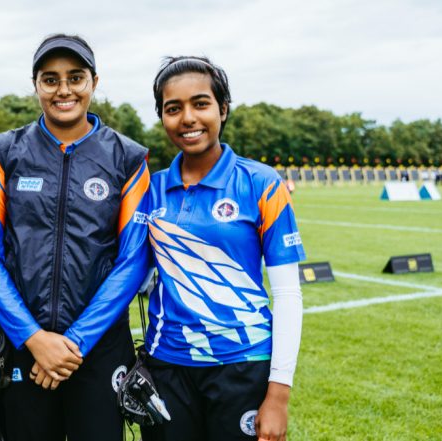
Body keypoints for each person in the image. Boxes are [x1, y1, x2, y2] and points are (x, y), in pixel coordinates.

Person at [0, 34, 151, 441]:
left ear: (94, 81)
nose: (64, 90)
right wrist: (34, 338)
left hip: (99, 348)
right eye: (50, 79)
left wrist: (73, 342)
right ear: (35, 84)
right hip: (23, 346)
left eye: (76, 77)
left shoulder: (128, 157)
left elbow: (133, 261)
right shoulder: (5, 151)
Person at [141, 56, 306, 441]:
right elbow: (134, 275)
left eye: (201, 103)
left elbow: (286, 293)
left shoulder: (261, 182)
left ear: (223, 109)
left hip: (242, 366)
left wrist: (278, 394)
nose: (188, 118)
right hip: (167, 366)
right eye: (173, 108)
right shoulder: (150, 189)